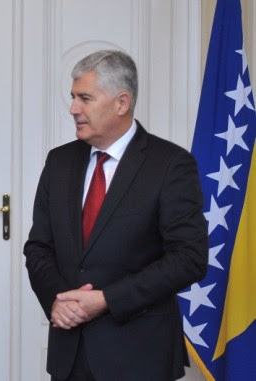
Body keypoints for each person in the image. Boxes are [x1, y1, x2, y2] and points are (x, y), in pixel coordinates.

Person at [23, 50, 208, 381]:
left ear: (121, 103)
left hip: (140, 355)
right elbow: (38, 247)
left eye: (85, 98)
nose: (73, 109)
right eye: (73, 97)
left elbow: (189, 258)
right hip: (71, 353)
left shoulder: (170, 165)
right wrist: (57, 302)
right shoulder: (59, 162)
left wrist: (107, 299)